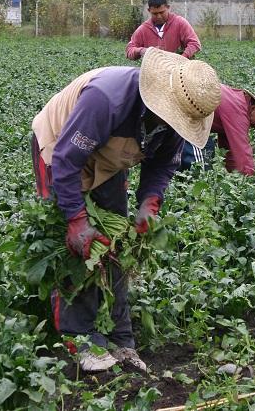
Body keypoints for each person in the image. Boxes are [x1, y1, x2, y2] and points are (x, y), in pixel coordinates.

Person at [30, 48, 221, 372]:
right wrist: (76, 219)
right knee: (79, 250)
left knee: (117, 245)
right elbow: (66, 160)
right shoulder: (106, 99)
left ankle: (122, 339)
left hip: (108, 159)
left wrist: (149, 203)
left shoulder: (175, 123)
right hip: (59, 148)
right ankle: (81, 338)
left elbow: (161, 166)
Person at [179, 86, 255, 176]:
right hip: (184, 116)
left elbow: (229, 148)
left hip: (188, 114)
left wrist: (233, 173)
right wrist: (249, 179)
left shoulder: (238, 101)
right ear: (253, 109)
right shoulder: (239, 111)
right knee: (202, 164)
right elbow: (242, 151)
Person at [125, 0, 201, 61]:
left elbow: (194, 44)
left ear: (168, 7)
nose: (159, 16)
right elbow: (129, 50)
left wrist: (182, 58)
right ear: (149, 10)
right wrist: (142, 51)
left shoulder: (180, 23)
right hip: (153, 72)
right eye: (155, 13)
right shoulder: (143, 29)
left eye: (162, 12)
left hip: (180, 71)